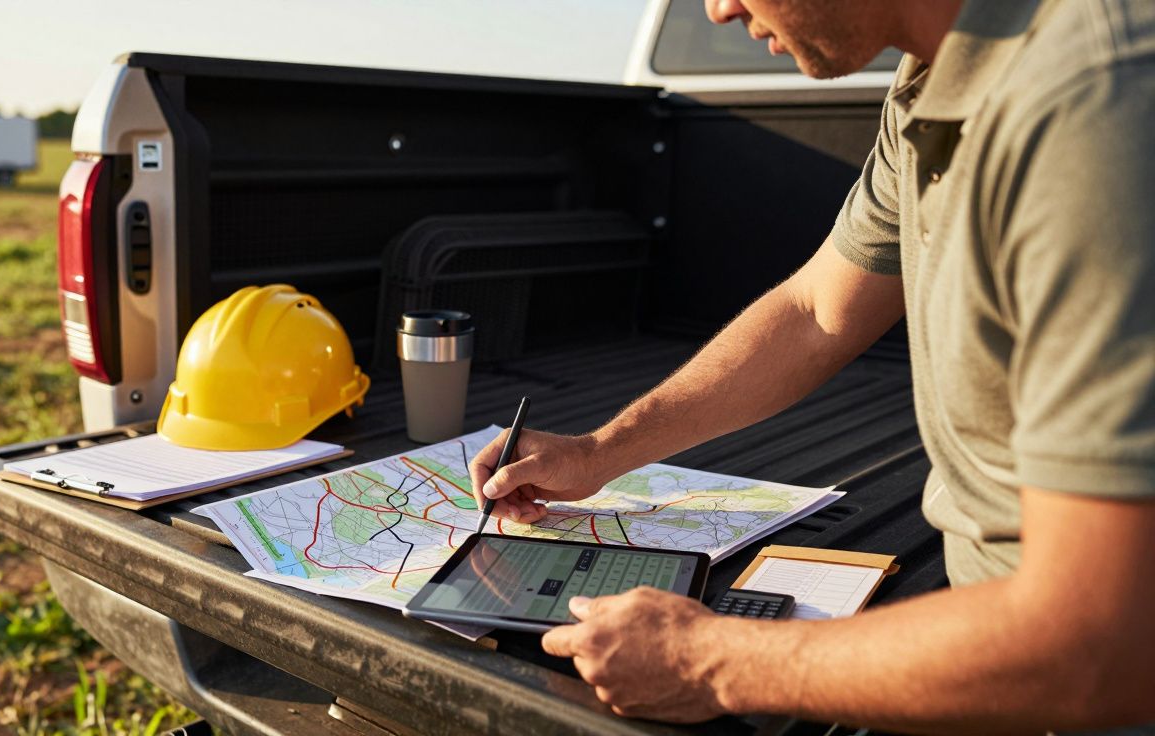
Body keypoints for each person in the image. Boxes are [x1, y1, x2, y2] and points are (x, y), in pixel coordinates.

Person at [469, 0, 1155, 731]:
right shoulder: (932, 77)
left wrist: (712, 663)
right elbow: (815, 312)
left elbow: (1103, 645)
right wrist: (601, 452)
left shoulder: (1092, 104)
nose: (718, 9)